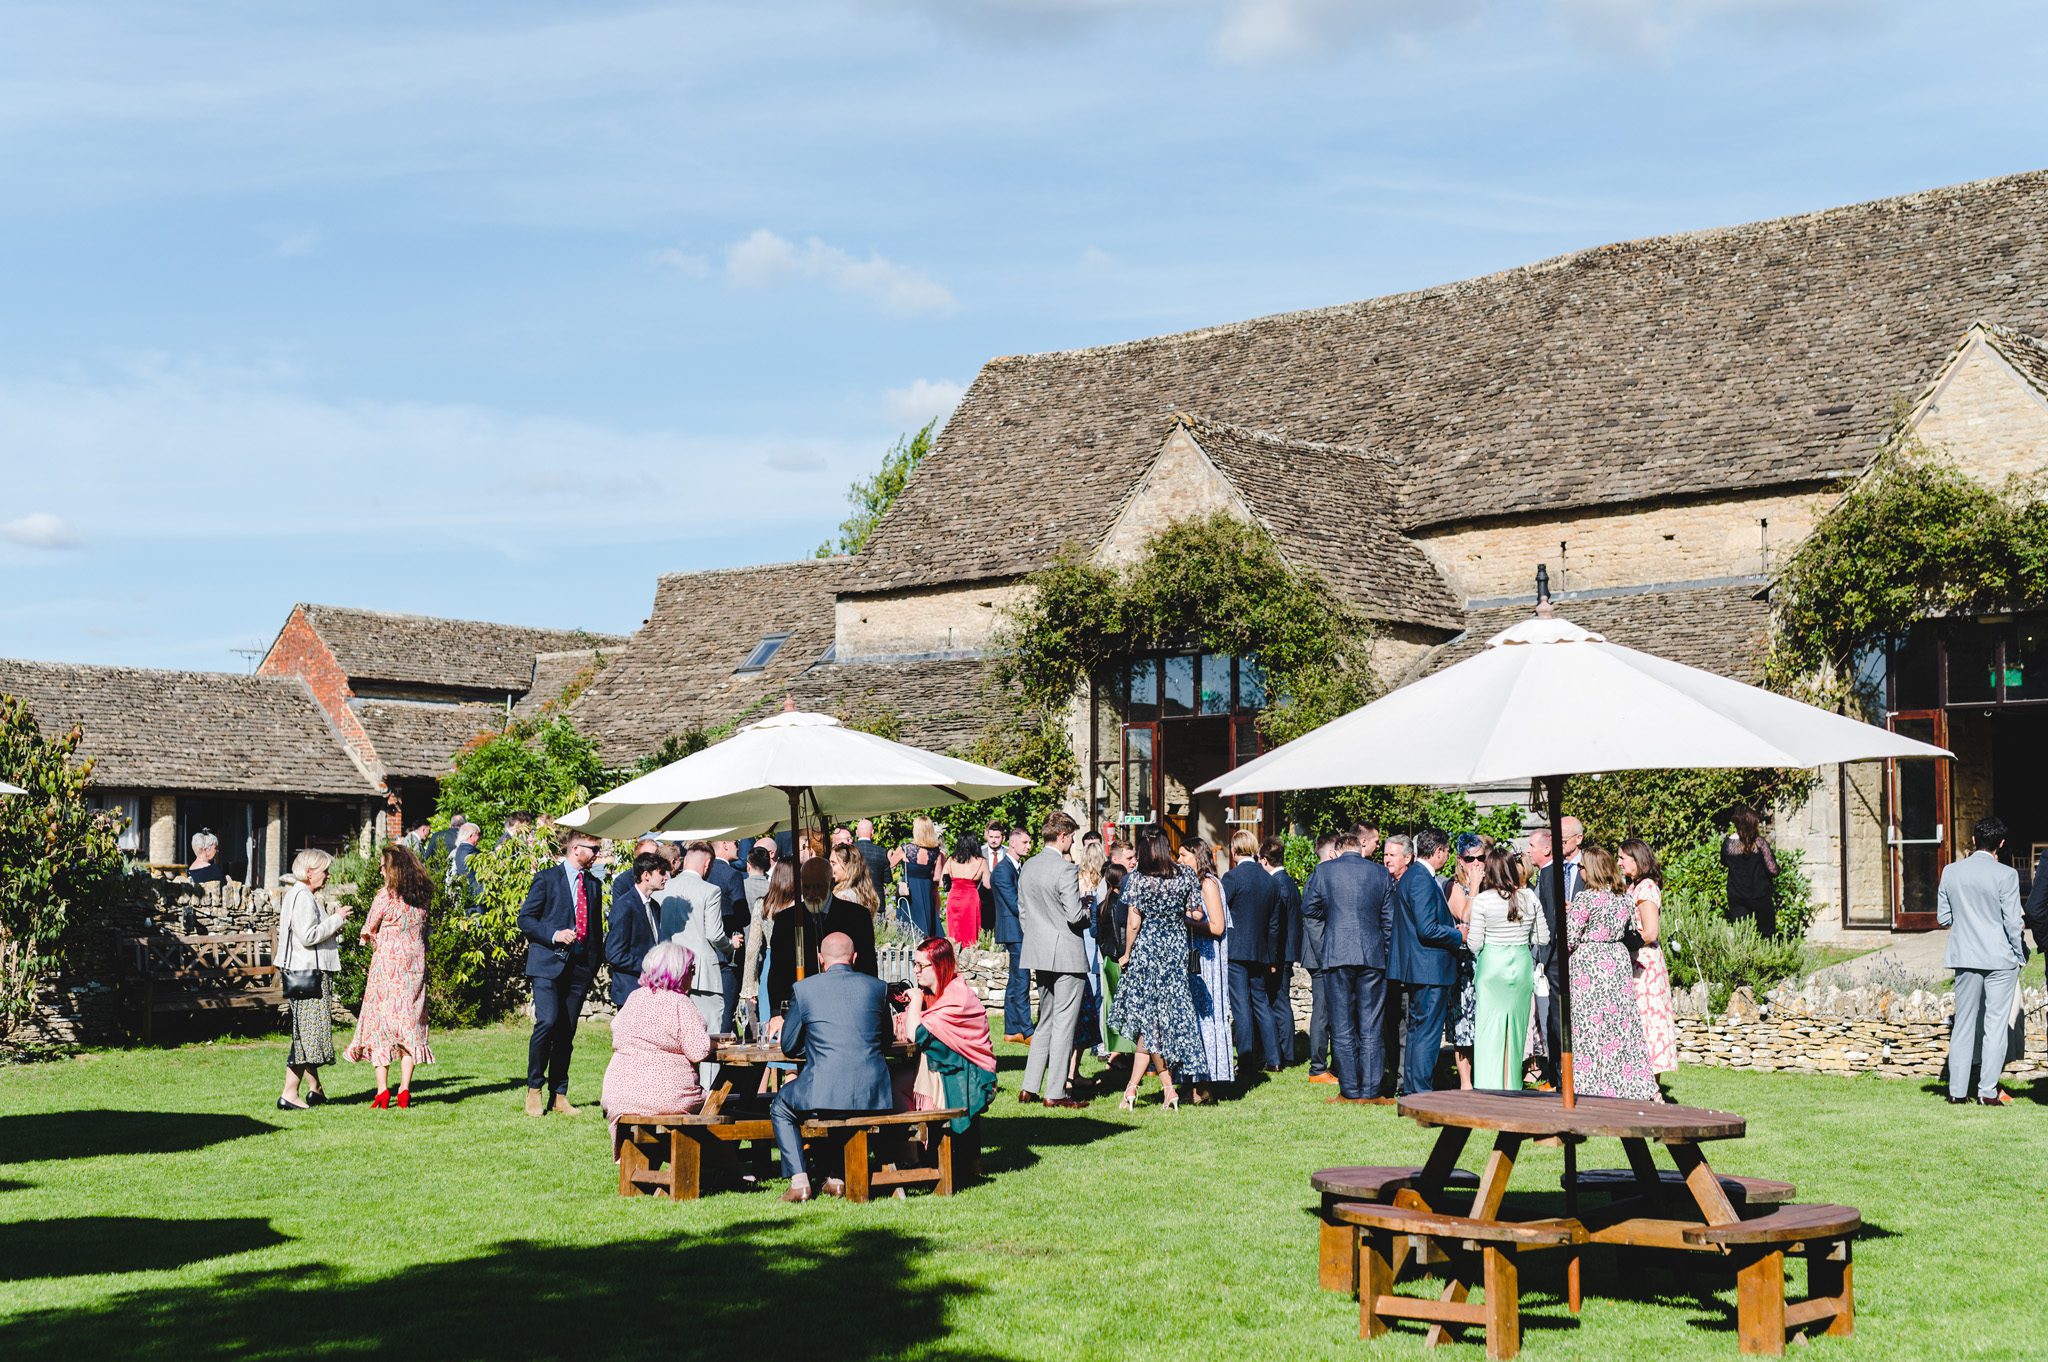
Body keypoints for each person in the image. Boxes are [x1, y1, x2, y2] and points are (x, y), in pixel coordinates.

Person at [768, 932, 893, 1202]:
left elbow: (788, 1045)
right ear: (855, 958)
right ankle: (836, 1178)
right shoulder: (878, 988)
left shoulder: (805, 989)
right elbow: (886, 1041)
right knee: (842, 1105)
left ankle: (800, 1181)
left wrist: (814, 1048)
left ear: (820, 959)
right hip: (873, 1091)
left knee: (781, 1105)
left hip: (824, 1085)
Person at [1108, 827, 1202, 1111]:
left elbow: (1133, 923)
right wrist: (1174, 914)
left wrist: (1126, 953)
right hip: (1174, 952)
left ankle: (1139, 1089)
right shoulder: (1185, 876)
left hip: (1147, 953)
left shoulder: (1136, 879)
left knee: (1150, 1023)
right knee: (1159, 1022)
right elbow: (1196, 912)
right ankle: (1160, 1089)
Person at [517, 829, 606, 1117]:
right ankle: (534, 1089)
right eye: (593, 848)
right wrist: (554, 934)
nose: (597, 854)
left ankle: (559, 1094)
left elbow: (594, 929)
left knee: (566, 1031)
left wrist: (592, 964)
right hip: (546, 965)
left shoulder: (593, 884)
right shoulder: (546, 879)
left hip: (579, 969)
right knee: (548, 1022)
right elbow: (526, 919)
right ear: (576, 848)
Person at [1939, 815, 2026, 1106]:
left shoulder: (1950, 872)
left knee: (1963, 1023)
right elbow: (2013, 922)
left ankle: (1957, 1091)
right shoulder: (2006, 875)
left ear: (1974, 839)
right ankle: (1987, 1091)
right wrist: (2020, 953)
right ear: (2001, 843)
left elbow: (1944, 918)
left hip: (1965, 956)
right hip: (2000, 958)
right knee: (1995, 1025)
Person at [1303, 827, 1395, 1103]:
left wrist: (1324, 948)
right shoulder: (1380, 873)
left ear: (1339, 849)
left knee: (1342, 1024)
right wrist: (1384, 953)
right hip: (1372, 956)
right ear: (1359, 847)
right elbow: (1389, 920)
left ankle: (1349, 1090)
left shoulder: (1324, 872)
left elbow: (1310, 911)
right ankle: (1372, 1090)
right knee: (1371, 1025)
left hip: (1336, 956)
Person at [1564, 844, 1660, 1102]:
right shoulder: (1623, 898)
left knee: (1588, 1027)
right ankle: (1626, 1082)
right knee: (1620, 1026)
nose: (1580, 872)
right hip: (1617, 962)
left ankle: (1589, 1084)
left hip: (1590, 965)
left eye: (1582, 867)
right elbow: (1631, 930)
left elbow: (1569, 938)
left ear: (1590, 871)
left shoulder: (1585, 899)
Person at [345, 844, 437, 1107]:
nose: (380, 870)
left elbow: (368, 929)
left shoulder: (385, 897)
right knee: (410, 1027)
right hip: (414, 969)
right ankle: (405, 1089)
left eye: (383, 866)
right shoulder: (422, 896)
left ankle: (383, 1090)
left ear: (393, 870)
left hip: (386, 971)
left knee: (381, 1028)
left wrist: (377, 940)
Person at [896, 936, 997, 1168]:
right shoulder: (937, 996)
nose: (916, 970)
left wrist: (915, 1002)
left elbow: (915, 1033)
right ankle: (915, 1155)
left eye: (921, 965)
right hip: (946, 1069)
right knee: (894, 1081)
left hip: (964, 1075)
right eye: (915, 964)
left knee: (894, 1085)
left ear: (940, 966)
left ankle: (915, 1157)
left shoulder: (958, 998)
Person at [601, 941, 713, 1148]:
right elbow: (699, 1051)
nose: (693, 975)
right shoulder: (680, 1002)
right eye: (691, 969)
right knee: (716, 1104)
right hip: (664, 1096)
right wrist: (715, 1044)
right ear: (679, 972)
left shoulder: (634, 997)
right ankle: (723, 1165)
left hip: (620, 1094)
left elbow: (617, 1029)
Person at [1018, 810, 1090, 1107]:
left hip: (1039, 950)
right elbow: (1074, 915)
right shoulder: (1065, 869)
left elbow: (1023, 912)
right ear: (1061, 836)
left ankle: (1029, 1086)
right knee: (1064, 1023)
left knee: (1044, 1020)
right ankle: (1056, 1092)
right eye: (1072, 837)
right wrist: (1088, 910)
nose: (1072, 843)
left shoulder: (1028, 866)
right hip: (1067, 954)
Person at [1466, 846, 1546, 1091]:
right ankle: (1511, 1083)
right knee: (1516, 1029)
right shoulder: (1529, 898)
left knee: (1489, 1028)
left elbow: (1474, 944)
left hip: (1492, 966)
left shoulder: (1482, 900)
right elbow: (1543, 937)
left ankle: (1488, 1085)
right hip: (1520, 964)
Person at [275, 848, 349, 1110]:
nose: (328, 875)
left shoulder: (303, 895)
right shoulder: (303, 897)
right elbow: (308, 936)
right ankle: (289, 1093)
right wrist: (337, 920)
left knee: (308, 1034)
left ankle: (315, 1089)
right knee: (307, 1038)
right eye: (324, 870)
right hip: (308, 975)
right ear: (309, 873)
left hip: (307, 972)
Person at [1390, 830, 1461, 1095]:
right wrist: (1457, 934)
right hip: (1429, 968)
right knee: (1427, 1033)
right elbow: (1427, 929)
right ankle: (1420, 1090)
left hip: (1421, 967)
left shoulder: (1413, 876)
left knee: (1419, 1031)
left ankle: (1413, 1088)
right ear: (1440, 851)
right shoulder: (1421, 878)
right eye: (1447, 851)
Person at [660, 842, 735, 1069]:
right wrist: (729, 947)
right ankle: (708, 1094)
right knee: (708, 1034)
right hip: (702, 971)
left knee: (673, 1035)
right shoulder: (710, 891)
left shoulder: (664, 889)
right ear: (708, 864)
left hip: (669, 970)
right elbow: (714, 933)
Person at [1220, 829, 1284, 1074]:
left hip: (1236, 950)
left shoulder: (1232, 878)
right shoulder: (1270, 880)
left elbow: (1220, 910)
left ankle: (1246, 1059)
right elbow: (1274, 924)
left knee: (1241, 1006)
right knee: (1261, 1003)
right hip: (1260, 951)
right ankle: (1274, 1058)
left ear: (1235, 851)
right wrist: (1270, 954)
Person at [1178, 839, 1234, 1102]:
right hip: (1195, 958)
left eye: (1183, 855)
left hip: (1208, 962)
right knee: (1193, 1020)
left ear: (1196, 857)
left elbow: (1218, 927)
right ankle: (1193, 1084)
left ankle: (1206, 1085)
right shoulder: (1192, 884)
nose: (1179, 860)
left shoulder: (1209, 883)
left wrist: (1185, 922)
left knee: (1206, 1019)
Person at [1619, 838, 1678, 1079]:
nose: (1619, 862)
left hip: (1644, 964)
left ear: (1637, 859)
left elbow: (1651, 931)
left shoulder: (1646, 888)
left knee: (1648, 1022)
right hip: (1634, 963)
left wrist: (1623, 942)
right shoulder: (1633, 886)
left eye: (1623, 858)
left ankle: (1651, 1086)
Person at [1443, 833, 1492, 1089]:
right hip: (1464, 963)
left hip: (1488, 960)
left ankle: (1487, 1076)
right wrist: (1473, 888)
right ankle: (1465, 1082)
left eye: (1481, 857)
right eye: (1470, 858)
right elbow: (1465, 916)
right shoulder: (1454, 886)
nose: (1476, 863)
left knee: (1485, 1020)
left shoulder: (1492, 884)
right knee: (1462, 1023)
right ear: (1460, 860)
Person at [1300, 831, 1343, 1084]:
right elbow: (1313, 921)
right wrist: (1326, 955)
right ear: (1331, 853)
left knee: (1328, 1010)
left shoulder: (1323, 875)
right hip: (1320, 956)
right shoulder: (1319, 876)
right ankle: (1317, 1068)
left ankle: (1330, 1065)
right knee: (1323, 1011)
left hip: (1324, 953)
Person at [605, 850, 671, 1007]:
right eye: (661, 873)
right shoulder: (625, 905)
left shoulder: (654, 906)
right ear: (646, 875)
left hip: (651, 989)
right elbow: (614, 954)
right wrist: (649, 966)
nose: (666, 877)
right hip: (631, 990)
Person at [1524, 827, 1560, 1088]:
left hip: (1551, 961)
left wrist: (1544, 960)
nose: (1528, 851)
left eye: (1532, 846)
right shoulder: (1545, 875)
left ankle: (1557, 1076)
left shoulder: (1549, 876)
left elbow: (1550, 920)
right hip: (1547, 959)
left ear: (1546, 849)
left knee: (1553, 1019)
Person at [1263, 835, 1303, 1070]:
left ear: (1266, 860)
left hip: (1281, 953)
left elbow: (1276, 925)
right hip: (1288, 950)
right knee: (1281, 1000)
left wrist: (1273, 957)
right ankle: (1284, 1051)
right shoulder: (1288, 882)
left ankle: (1285, 1053)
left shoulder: (1278, 884)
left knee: (1279, 1002)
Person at [760, 860, 817, 1020]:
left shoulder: (763, 904)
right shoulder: (800, 906)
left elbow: (753, 948)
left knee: (770, 1018)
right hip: (795, 958)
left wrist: (748, 986)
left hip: (770, 962)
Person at [993, 826, 1034, 1045]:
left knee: (1015, 980)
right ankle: (1027, 1030)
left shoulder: (1017, 867)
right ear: (1013, 843)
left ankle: (1012, 1030)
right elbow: (1015, 904)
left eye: (1029, 842)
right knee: (1022, 979)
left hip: (1018, 929)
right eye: (1025, 842)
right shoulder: (1002, 870)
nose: (1029, 846)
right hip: (1014, 930)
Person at [706, 838, 751, 1032]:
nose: (738, 847)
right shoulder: (731, 875)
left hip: (705, 948)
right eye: (735, 843)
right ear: (724, 844)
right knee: (726, 1007)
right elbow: (744, 916)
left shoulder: (703, 873)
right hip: (729, 949)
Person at [1722, 806, 1781, 938]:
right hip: (1760, 895)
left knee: (1742, 937)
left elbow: (1724, 862)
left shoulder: (1728, 845)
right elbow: (1773, 870)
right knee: (1768, 936)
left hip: (1736, 895)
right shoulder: (1759, 843)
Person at [1095, 861, 1133, 1062]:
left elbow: (1098, 935)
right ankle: (1121, 1051)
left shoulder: (1102, 905)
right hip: (1120, 958)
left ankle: (1114, 1048)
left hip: (1108, 958)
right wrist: (1124, 955)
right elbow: (1121, 935)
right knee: (1124, 1005)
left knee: (1111, 1004)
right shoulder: (1120, 905)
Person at [819, 853, 880, 977]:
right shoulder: (863, 891)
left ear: (847, 866)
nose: (831, 868)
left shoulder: (844, 897)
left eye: (834, 863)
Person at [902, 816, 945, 939]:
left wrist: (889, 854)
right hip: (926, 889)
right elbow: (937, 877)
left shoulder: (905, 848)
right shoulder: (936, 852)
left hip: (909, 891)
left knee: (908, 926)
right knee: (926, 923)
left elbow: (890, 865)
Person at [942, 833, 987, 948]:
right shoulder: (981, 862)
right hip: (970, 898)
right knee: (970, 930)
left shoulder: (951, 860)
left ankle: (954, 954)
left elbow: (942, 883)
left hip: (954, 897)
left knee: (954, 930)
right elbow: (988, 884)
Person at [852, 819, 896, 914]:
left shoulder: (850, 851)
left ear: (856, 832)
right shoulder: (881, 852)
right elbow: (888, 879)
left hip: (854, 900)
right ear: (872, 832)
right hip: (877, 901)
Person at [449, 821, 485, 904]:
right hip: (476, 893)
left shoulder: (459, 850)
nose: (479, 838)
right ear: (471, 836)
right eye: (477, 834)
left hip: (467, 893)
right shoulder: (470, 851)